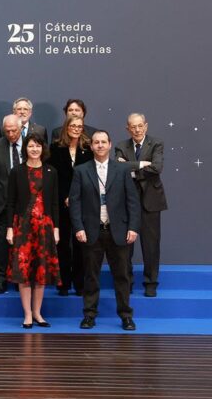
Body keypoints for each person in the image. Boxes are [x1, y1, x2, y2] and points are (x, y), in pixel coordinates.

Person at [69, 130, 140, 331]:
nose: (100, 145)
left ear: (110, 145)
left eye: (103, 142)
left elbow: (132, 201)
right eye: (96, 142)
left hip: (118, 231)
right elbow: (75, 203)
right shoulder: (81, 170)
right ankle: (89, 315)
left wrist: (133, 227)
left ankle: (126, 316)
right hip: (91, 231)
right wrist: (79, 228)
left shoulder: (122, 169)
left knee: (122, 276)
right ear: (91, 146)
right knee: (91, 276)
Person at [5, 132, 60, 328]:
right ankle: (27, 314)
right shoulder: (17, 171)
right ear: (25, 149)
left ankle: (38, 313)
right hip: (23, 227)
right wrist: (10, 229)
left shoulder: (51, 172)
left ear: (42, 149)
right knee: (24, 272)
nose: (34, 149)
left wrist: (57, 229)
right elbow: (10, 202)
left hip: (45, 227)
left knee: (41, 272)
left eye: (37, 146)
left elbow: (54, 203)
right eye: (30, 146)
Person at [115, 113, 168, 297]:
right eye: (133, 126)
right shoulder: (121, 146)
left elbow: (157, 168)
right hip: (127, 202)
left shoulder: (156, 143)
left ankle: (150, 282)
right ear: (127, 128)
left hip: (151, 201)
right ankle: (127, 282)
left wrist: (132, 168)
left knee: (151, 245)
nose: (137, 130)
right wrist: (142, 164)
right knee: (125, 246)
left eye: (140, 126)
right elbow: (118, 168)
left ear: (145, 126)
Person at [47, 115, 93, 296]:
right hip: (60, 203)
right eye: (73, 125)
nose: (76, 128)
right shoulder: (55, 149)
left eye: (80, 126)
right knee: (62, 245)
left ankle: (79, 283)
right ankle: (63, 283)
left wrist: (75, 197)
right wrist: (64, 196)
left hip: (82, 204)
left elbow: (90, 178)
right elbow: (51, 177)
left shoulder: (88, 150)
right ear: (66, 127)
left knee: (80, 244)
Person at [0, 114, 23, 294]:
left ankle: (19, 278)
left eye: (13, 130)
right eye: (6, 131)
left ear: (21, 127)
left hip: (25, 205)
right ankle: (0, 279)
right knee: (0, 244)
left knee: (21, 244)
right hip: (0, 204)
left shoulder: (31, 145)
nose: (10, 134)